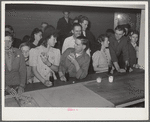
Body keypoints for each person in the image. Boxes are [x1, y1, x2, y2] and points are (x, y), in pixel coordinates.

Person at [5, 31, 26, 95]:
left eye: (9, 41)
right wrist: (6, 87)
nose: (7, 44)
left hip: (17, 85)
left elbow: (23, 70)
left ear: (12, 42)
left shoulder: (18, 52)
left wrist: (21, 86)